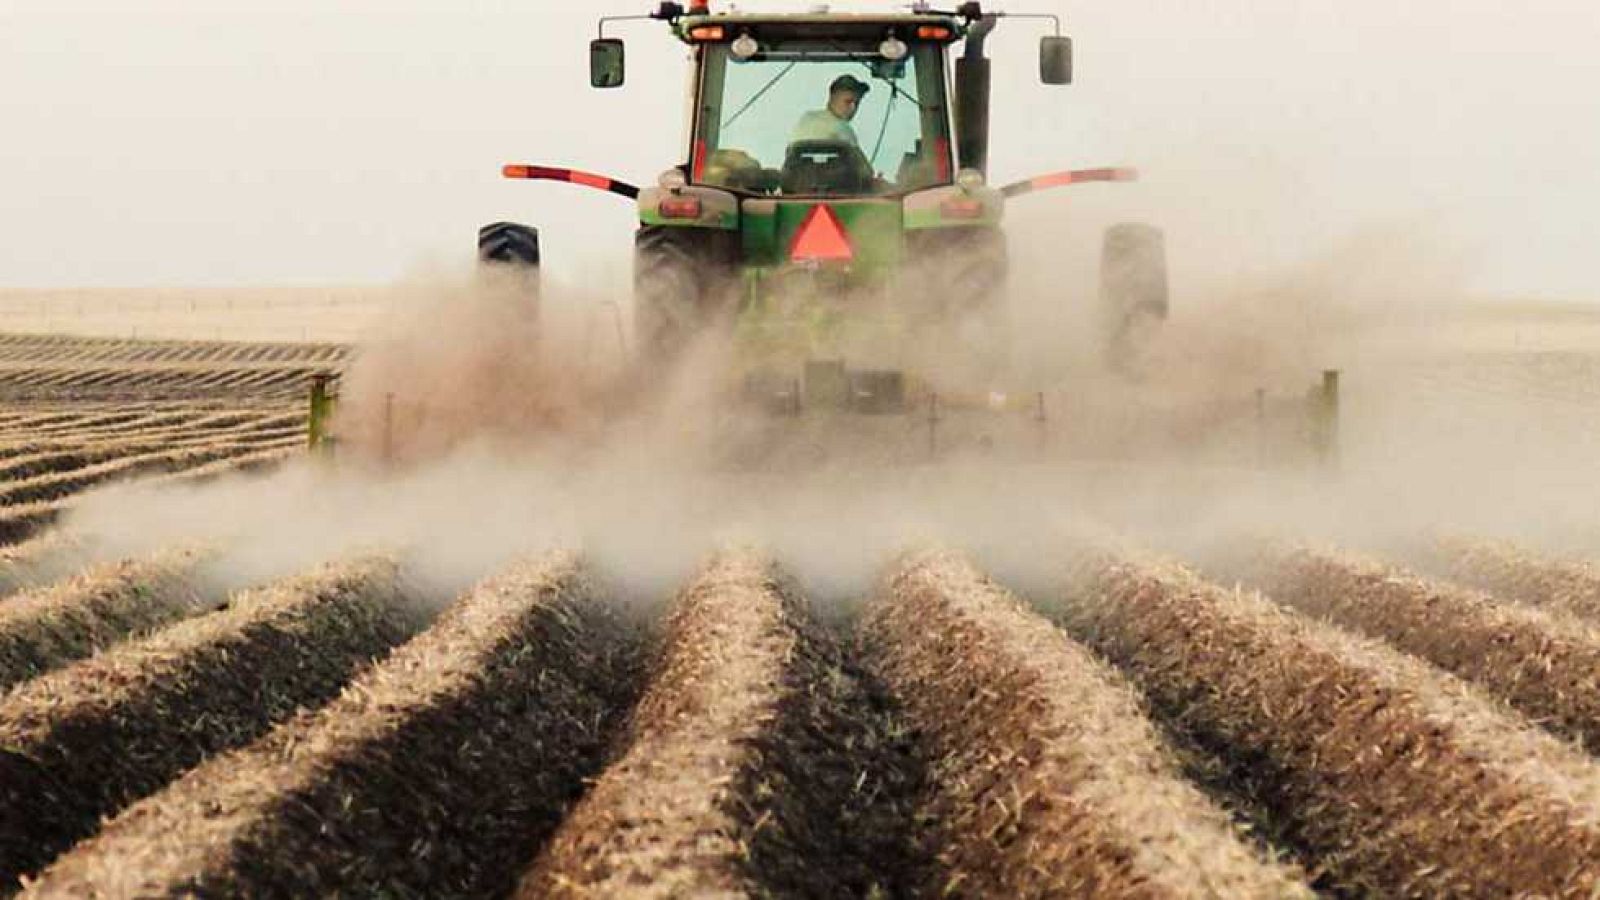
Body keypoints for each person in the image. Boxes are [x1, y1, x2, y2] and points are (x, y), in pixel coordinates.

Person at [789, 74, 870, 148]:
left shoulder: (806, 118)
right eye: (848, 102)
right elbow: (855, 163)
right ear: (833, 97)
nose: (853, 108)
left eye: (856, 103)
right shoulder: (842, 129)